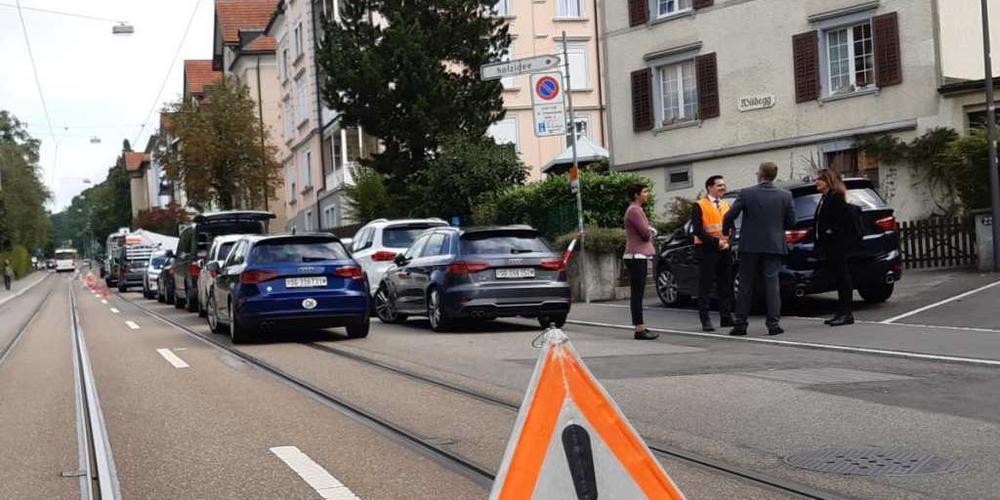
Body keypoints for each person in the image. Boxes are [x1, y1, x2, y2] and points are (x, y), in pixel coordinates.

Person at [722, 162, 796, 336]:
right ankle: (773, 324)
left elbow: (729, 215)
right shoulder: (785, 195)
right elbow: (792, 222)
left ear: (760, 175)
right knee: (772, 284)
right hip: (773, 244)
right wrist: (777, 228)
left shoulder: (746, 193)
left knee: (745, 285)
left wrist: (727, 231)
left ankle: (741, 323)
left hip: (750, 245)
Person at [814, 168, 861, 326]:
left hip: (837, 245)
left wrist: (830, 232)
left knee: (843, 277)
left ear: (828, 181)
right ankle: (841, 311)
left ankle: (846, 313)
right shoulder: (825, 198)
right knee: (838, 278)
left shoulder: (836, 198)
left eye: (820, 179)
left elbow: (842, 222)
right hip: (829, 246)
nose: (817, 182)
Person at [692, 175, 734, 332]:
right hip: (707, 249)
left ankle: (726, 316)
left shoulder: (725, 204)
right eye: (719, 185)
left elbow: (731, 226)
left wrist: (729, 241)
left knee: (726, 283)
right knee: (706, 285)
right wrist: (717, 242)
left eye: (724, 185)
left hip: (724, 249)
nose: (723, 188)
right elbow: (698, 230)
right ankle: (705, 319)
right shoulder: (699, 205)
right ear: (710, 187)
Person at [624, 183, 659, 340]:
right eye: (645, 192)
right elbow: (645, 233)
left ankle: (640, 327)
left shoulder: (635, 210)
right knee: (637, 294)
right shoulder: (635, 211)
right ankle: (639, 329)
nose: (647, 194)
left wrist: (650, 230)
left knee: (637, 293)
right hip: (636, 255)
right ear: (636, 195)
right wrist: (652, 231)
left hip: (636, 255)